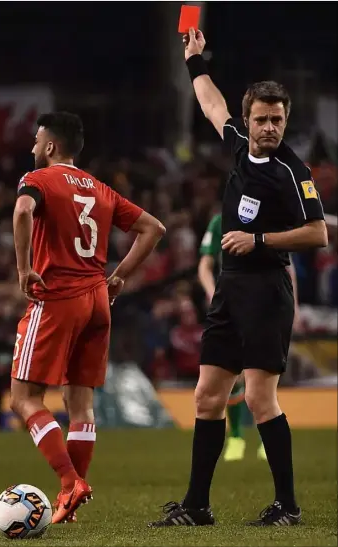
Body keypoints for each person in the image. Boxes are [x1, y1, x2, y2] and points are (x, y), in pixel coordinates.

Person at [149, 28, 327, 528]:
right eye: (261, 119)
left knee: (258, 397)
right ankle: (197, 507)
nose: (270, 128)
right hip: (230, 289)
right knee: (207, 397)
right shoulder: (238, 144)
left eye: (277, 119)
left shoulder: (294, 172)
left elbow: (318, 235)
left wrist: (261, 240)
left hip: (268, 290)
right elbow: (210, 104)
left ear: (285, 120)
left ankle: (288, 507)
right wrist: (194, 62)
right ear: (247, 121)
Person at [11, 111, 165, 525]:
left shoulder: (37, 179)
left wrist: (24, 269)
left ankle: (67, 481)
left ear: (50, 146)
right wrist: (119, 278)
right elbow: (154, 229)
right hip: (98, 298)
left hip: (58, 296)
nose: (32, 148)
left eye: (36, 141)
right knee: (80, 404)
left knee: (24, 398)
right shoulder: (100, 188)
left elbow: (23, 211)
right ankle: (71, 499)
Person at [199, 215, 302, 461]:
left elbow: (289, 266)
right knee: (231, 377)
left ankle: (266, 437)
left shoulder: (270, 217)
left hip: (265, 302)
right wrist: (215, 295)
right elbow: (205, 265)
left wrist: (293, 305)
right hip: (230, 302)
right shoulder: (219, 221)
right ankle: (235, 436)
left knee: (262, 377)